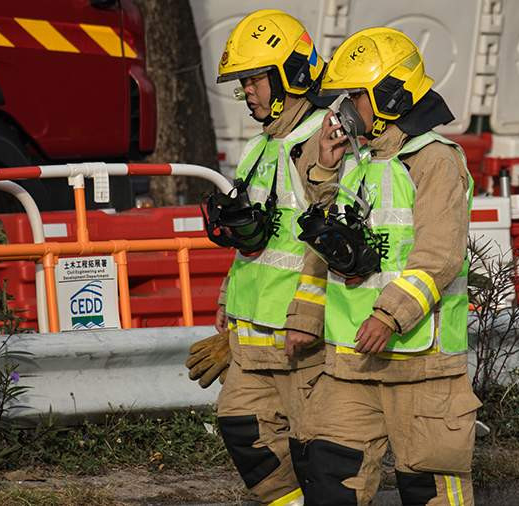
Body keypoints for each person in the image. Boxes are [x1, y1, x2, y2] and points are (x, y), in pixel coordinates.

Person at [285, 27, 480, 506]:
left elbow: (438, 256)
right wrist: (325, 172)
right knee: (330, 480)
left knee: (430, 489)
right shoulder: (359, 159)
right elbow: (329, 244)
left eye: (357, 96)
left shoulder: (435, 159)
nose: (347, 108)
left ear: (391, 96)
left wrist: (389, 314)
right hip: (353, 362)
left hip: (422, 360)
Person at [184, 9, 333, 506]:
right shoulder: (257, 147)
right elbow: (253, 243)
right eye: (242, 83)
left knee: (318, 456)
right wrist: (228, 297)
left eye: (254, 80)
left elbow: (326, 243)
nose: (247, 91)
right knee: (243, 432)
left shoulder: (323, 145)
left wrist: (309, 316)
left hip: (302, 340)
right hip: (250, 336)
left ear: (291, 74)